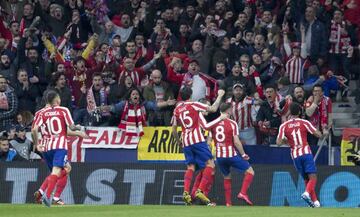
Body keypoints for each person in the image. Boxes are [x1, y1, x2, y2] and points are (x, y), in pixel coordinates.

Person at [31, 90, 86, 207]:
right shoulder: (63, 110)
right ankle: (49, 196)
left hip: (46, 147)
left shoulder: (40, 113)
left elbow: (34, 130)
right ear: (56, 99)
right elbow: (70, 127)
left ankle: (43, 193)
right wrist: (79, 129)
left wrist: (36, 144)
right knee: (59, 171)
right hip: (59, 146)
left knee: (62, 170)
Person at [172, 87, 225, 206]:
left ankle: (186, 193)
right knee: (210, 164)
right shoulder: (194, 104)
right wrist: (220, 95)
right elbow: (213, 108)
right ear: (191, 94)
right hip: (197, 140)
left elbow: (174, 129)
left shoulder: (177, 109)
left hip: (185, 141)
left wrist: (178, 141)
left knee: (190, 167)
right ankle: (200, 191)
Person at [207, 103, 255, 207]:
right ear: (229, 110)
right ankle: (242, 193)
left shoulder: (213, 124)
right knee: (250, 171)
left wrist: (210, 157)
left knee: (227, 177)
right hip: (231, 155)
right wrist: (243, 155)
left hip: (219, 157)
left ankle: (229, 203)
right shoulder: (232, 123)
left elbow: (209, 142)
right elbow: (237, 142)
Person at [276, 102, 322, 208]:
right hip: (305, 152)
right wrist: (322, 131)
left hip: (295, 156)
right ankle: (306, 194)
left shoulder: (284, 126)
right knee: (313, 177)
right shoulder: (304, 122)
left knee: (306, 179)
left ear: (289, 112)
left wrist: (286, 141)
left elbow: (278, 143)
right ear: (300, 111)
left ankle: (316, 203)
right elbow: (318, 134)